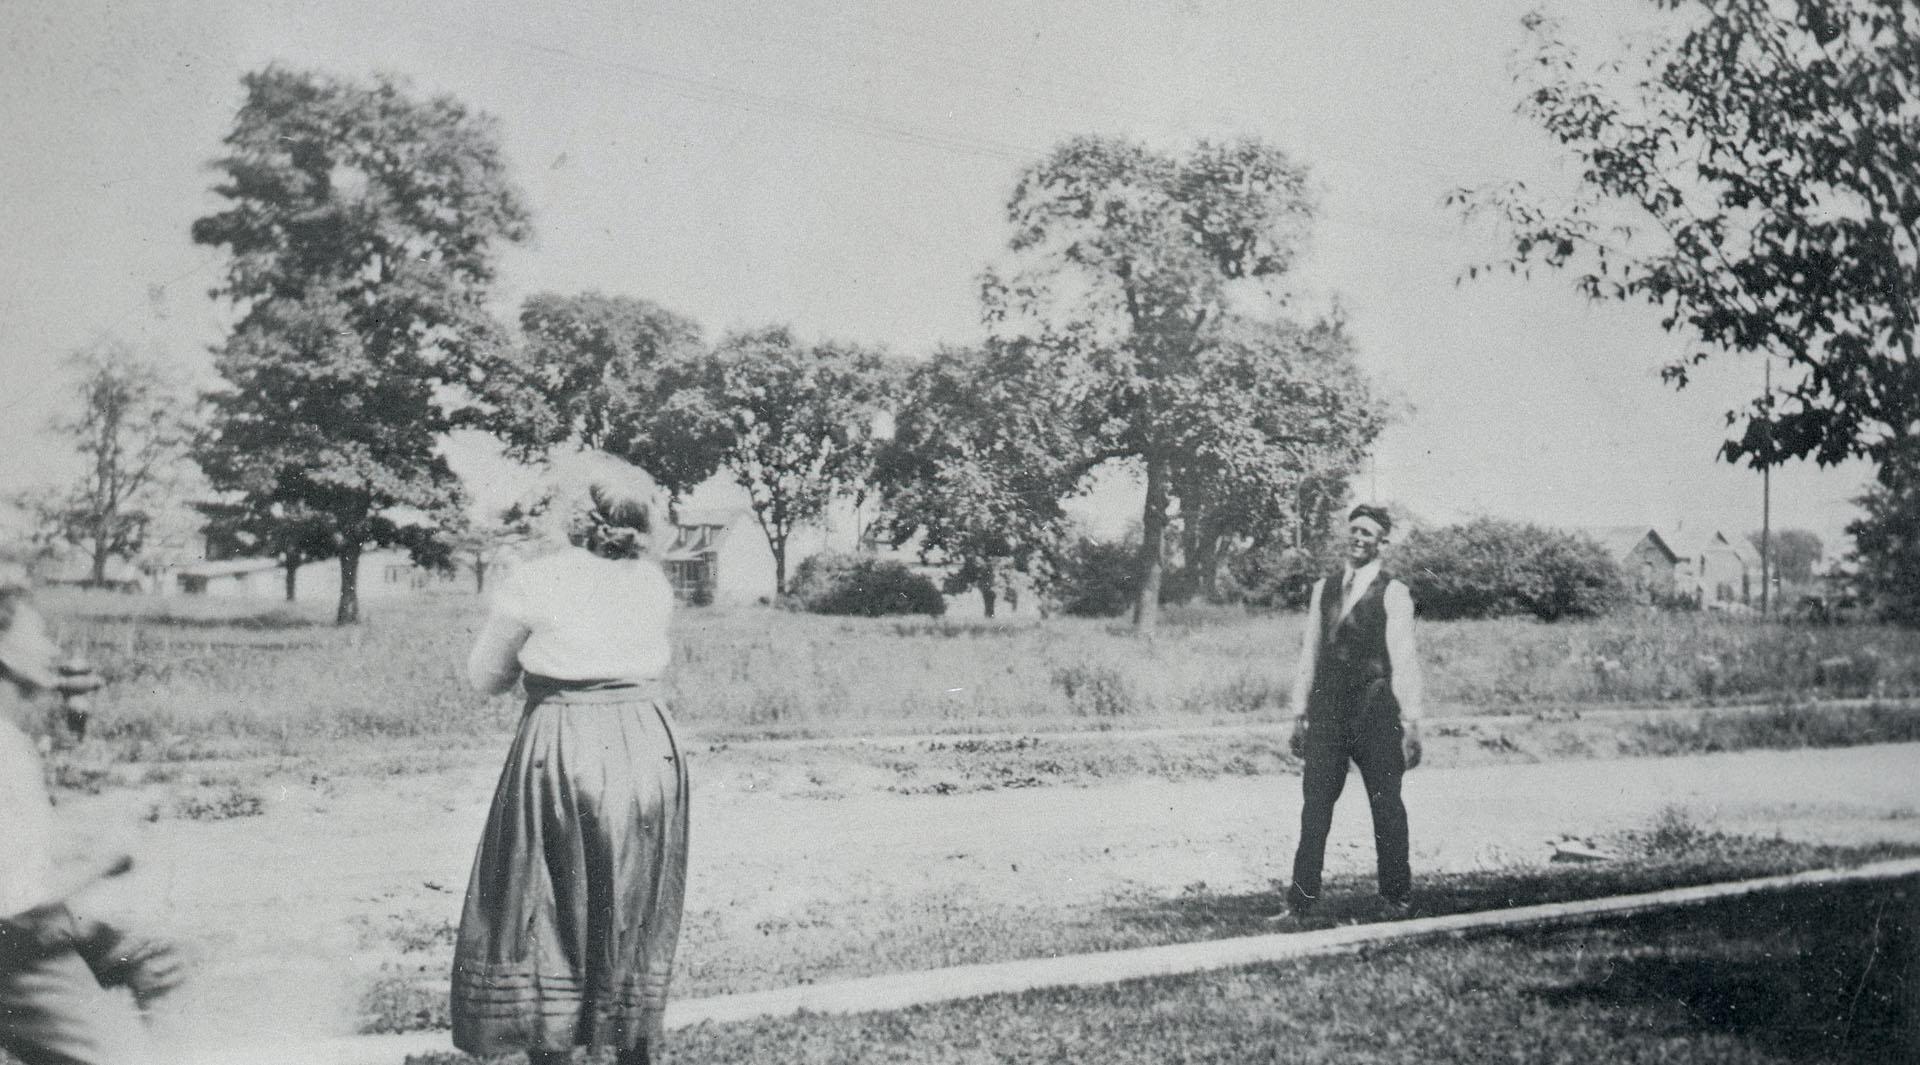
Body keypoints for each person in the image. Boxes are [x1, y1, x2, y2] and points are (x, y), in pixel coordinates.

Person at [450, 480, 690, 1065]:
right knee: (632, 903)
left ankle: (553, 1048)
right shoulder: (653, 581)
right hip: (647, 746)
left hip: (565, 742)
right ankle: (632, 1049)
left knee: (546, 903)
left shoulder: (538, 578)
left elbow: (485, 678)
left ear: (574, 517)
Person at [0, 572, 184, 1065]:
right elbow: (16, 895)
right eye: (35, 635)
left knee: (154, 958)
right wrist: (108, 857)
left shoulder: (12, 740)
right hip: (15, 949)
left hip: (27, 929)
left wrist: (100, 819)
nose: (51, 648)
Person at [1280, 504, 1425, 921]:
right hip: (1327, 712)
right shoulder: (1323, 589)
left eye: (1368, 533)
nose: (1359, 538)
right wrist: (1298, 714)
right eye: (1354, 530)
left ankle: (1396, 897)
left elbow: (1404, 658)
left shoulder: (1393, 591)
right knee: (1315, 807)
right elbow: (1309, 652)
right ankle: (1301, 903)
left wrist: (1411, 721)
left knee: (1387, 805)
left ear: (1382, 542)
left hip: (1375, 711)